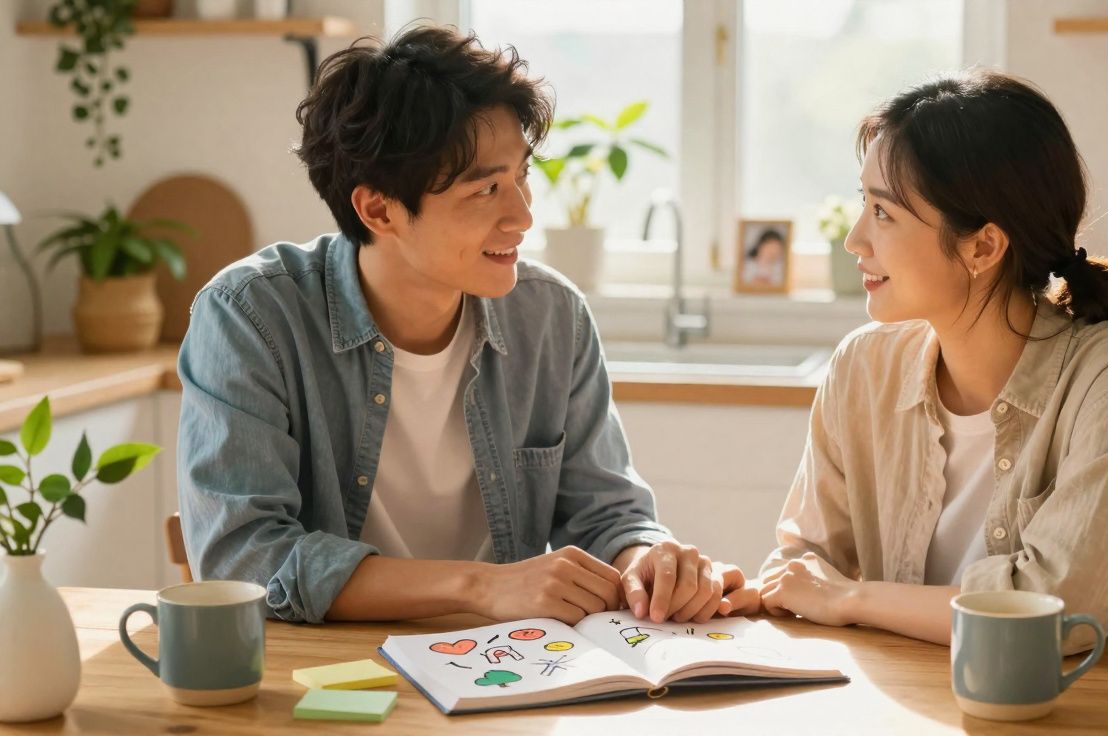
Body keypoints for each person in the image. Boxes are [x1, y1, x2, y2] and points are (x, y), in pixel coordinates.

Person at [177, 25, 743, 626]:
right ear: (379, 208)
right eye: (487, 189)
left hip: (505, 673)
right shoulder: (251, 317)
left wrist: (647, 560)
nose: (523, 215)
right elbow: (244, 556)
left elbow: (607, 514)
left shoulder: (550, 316)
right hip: (328, 678)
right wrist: (481, 587)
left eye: (522, 176)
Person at [721, 70, 1108, 652]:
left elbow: (1054, 612)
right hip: (910, 707)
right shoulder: (863, 368)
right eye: (865, 205)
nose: (856, 240)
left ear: (982, 246)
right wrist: (731, 591)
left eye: (884, 213)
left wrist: (850, 598)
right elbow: (807, 568)